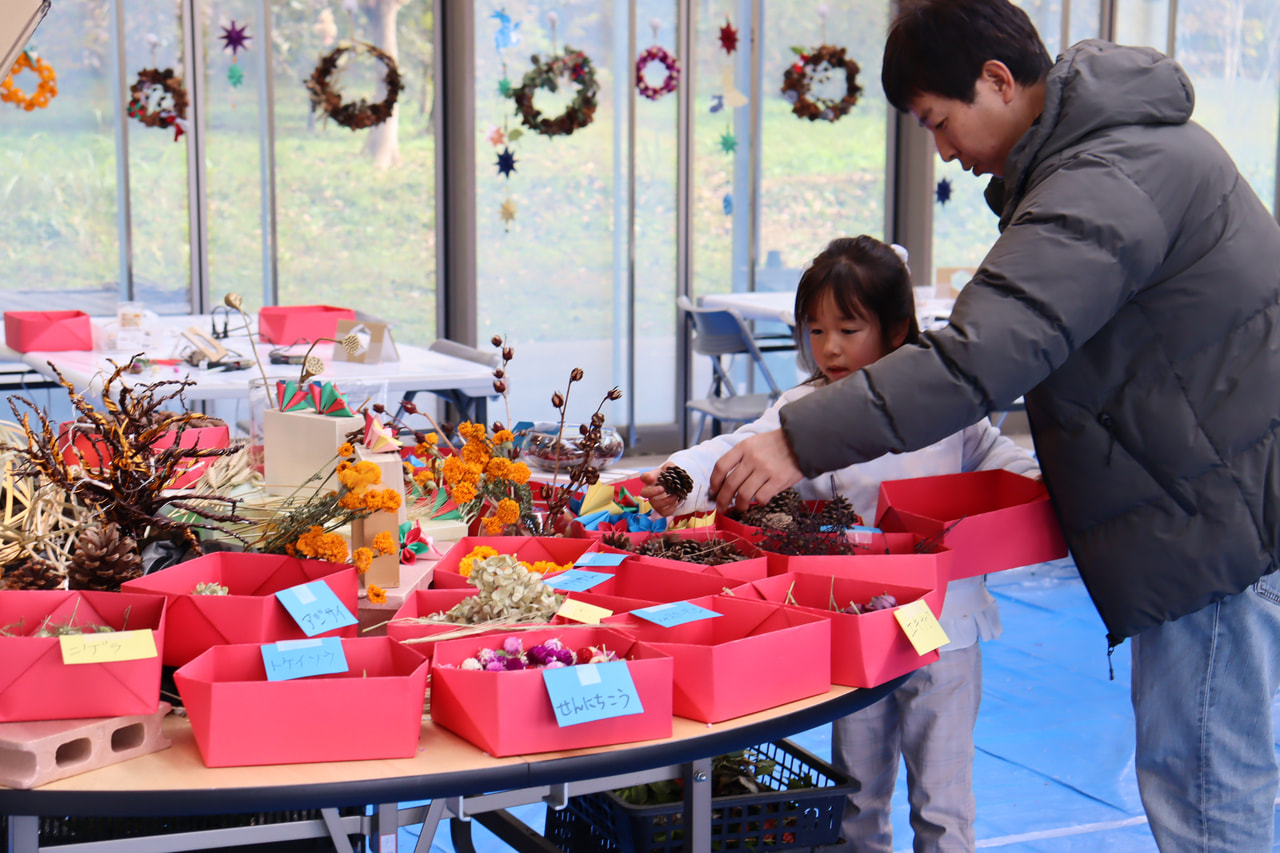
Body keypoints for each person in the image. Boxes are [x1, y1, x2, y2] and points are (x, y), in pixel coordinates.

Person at [706, 1, 1280, 850]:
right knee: (1201, 774)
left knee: (1204, 787)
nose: (943, 152)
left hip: (1214, 523)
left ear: (999, 81)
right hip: (1209, 507)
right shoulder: (1111, 157)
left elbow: (980, 356)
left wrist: (798, 439)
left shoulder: (1105, 178)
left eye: (939, 122)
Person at [641, 235, 1038, 853]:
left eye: (849, 330)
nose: (829, 347)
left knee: (944, 805)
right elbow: (737, 447)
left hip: (945, 629)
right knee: (855, 797)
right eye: (816, 329)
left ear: (897, 329)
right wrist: (681, 479)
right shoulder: (805, 409)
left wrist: (1060, 491)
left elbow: (1003, 461)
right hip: (855, 631)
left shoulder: (946, 405)